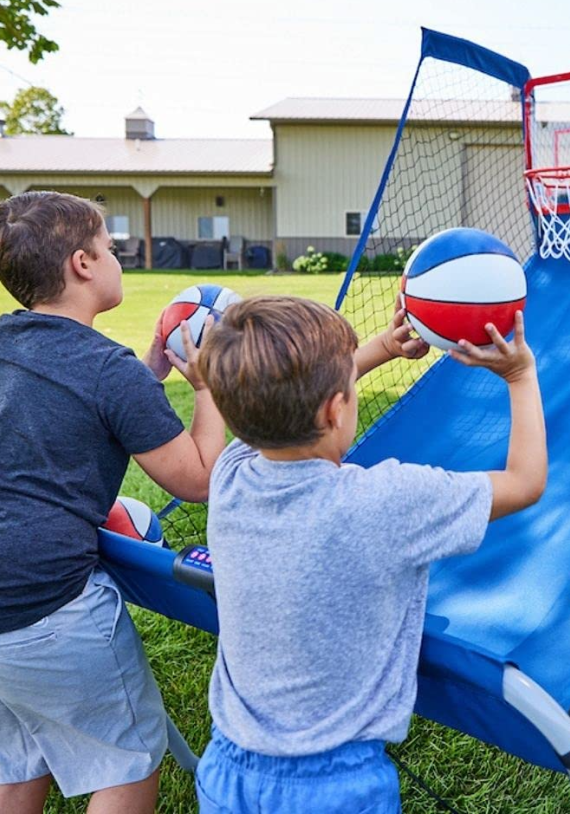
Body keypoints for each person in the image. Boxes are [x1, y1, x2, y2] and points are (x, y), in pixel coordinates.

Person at [194, 295, 547, 814]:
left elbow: (272, 401)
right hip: (335, 788)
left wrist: (380, 347)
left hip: (227, 770)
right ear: (337, 408)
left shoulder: (229, 477)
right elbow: (524, 481)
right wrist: (520, 375)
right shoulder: (385, 502)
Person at [0, 191, 227, 814]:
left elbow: (67, 412)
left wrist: (151, 372)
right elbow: (199, 479)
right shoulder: (103, 368)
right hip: (46, 603)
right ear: (83, 265)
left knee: (15, 760)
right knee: (126, 763)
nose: (117, 259)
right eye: (112, 249)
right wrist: (208, 387)